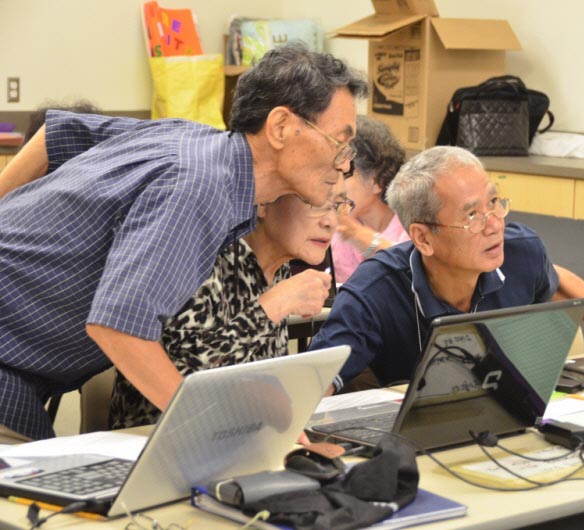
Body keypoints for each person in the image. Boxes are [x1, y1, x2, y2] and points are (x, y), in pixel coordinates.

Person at [309, 146, 584, 530]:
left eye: (495, 202)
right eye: (472, 215)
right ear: (423, 238)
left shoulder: (519, 250)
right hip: (429, 451)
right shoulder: (376, 288)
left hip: (515, 425)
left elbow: (558, 282)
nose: (494, 222)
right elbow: (317, 376)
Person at [0, 43, 367, 441]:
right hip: (10, 359)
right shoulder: (200, 187)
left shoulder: (194, 142)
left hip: (24, 366)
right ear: (280, 127)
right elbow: (119, 328)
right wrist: (204, 422)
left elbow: (56, 134)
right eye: (339, 142)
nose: (344, 163)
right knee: (34, 487)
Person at [109, 184, 353, 429]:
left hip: (239, 437)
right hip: (157, 442)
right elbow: (187, 382)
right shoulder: (203, 258)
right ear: (263, 203)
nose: (331, 222)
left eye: (337, 205)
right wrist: (271, 307)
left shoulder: (280, 268)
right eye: (317, 203)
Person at [330, 116, 409, 283]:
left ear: (376, 181)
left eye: (346, 174)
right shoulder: (336, 228)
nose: (335, 183)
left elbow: (410, 269)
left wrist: (355, 234)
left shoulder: (410, 226)